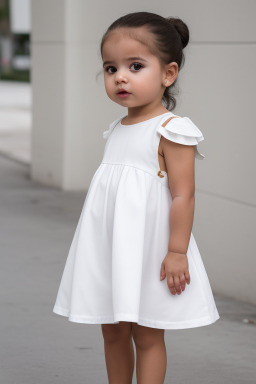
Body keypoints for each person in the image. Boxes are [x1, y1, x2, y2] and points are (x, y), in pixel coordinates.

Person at [53, 11, 220, 384]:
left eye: (135, 65)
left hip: (150, 249)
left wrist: (177, 251)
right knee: (112, 329)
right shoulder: (116, 129)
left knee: (146, 332)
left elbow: (184, 195)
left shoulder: (171, 131)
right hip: (111, 246)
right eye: (111, 68)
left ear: (168, 74)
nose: (120, 77)